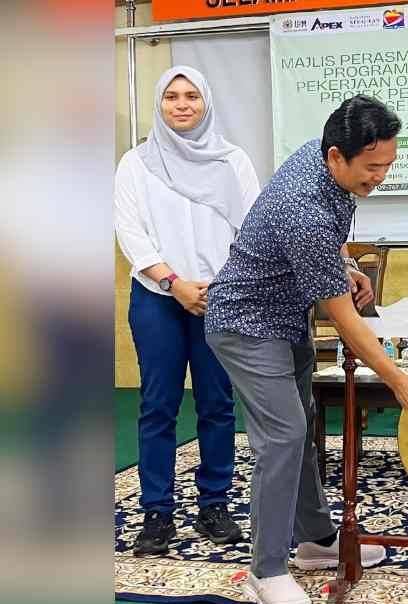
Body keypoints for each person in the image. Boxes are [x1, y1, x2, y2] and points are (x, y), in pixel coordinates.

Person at [205, 95, 408, 604]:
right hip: (245, 324)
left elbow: (328, 242)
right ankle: (266, 570)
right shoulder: (303, 207)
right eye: (372, 167)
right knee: (283, 435)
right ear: (337, 156)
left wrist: (344, 267)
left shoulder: (322, 156)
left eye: (388, 165)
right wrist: (400, 381)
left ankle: (315, 540)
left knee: (303, 426)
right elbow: (346, 321)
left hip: (286, 317)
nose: (380, 176)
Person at [114, 66, 260, 557]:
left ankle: (213, 505)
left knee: (217, 403)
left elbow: (252, 229)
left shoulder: (232, 161)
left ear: (206, 102)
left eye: (192, 96)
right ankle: (156, 512)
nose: (182, 104)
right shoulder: (135, 163)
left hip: (219, 297)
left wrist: (220, 286)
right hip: (158, 297)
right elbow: (130, 232)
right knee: (158, 405)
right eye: (172, 96)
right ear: (159, 103)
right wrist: (173, 283)